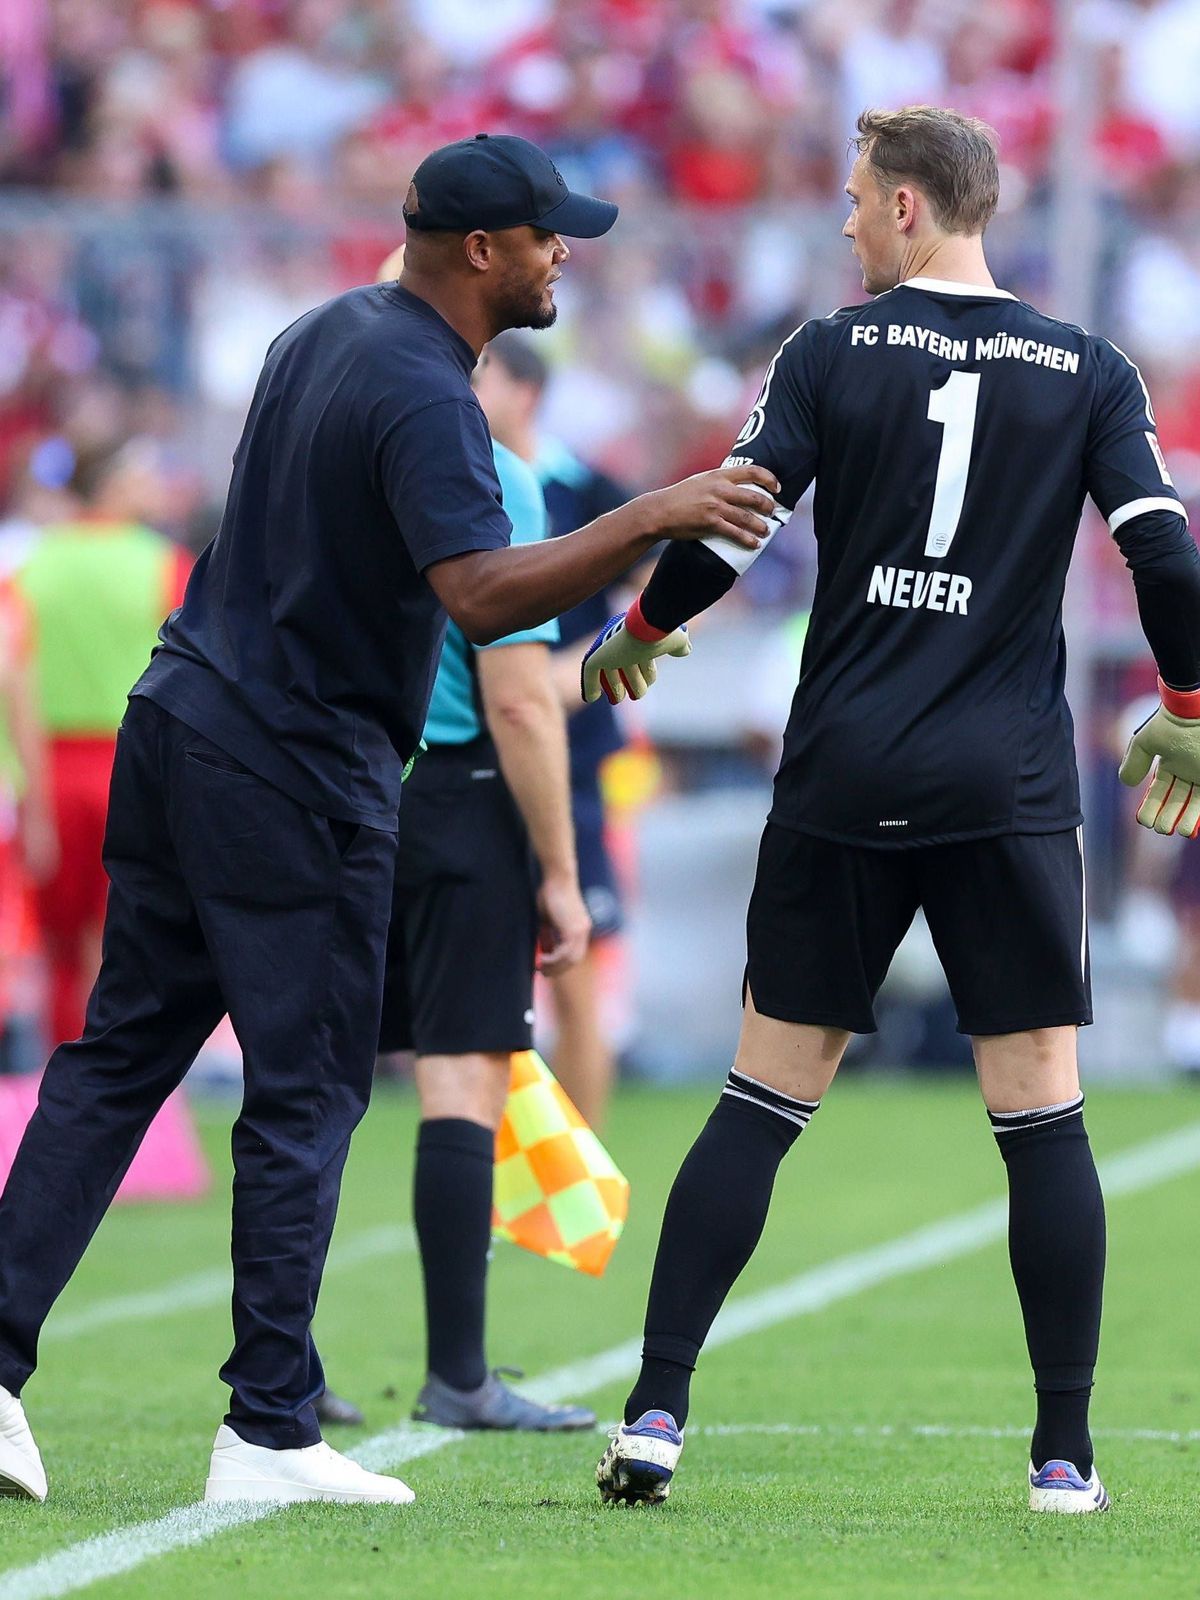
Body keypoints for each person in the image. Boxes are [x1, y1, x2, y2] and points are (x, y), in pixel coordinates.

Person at [0, 131, 777, 1508]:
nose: (563, 256)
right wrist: (656, 513)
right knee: (304, 1092)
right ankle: (270, 1431)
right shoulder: (426, 390)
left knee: (120, 1059)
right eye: (548, 236)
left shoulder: (327, 330)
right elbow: (482, 599)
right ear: (481, 251)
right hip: (292, 766)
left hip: (183, 722)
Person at [588, 106, 1200, 1514]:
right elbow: (1164, 558)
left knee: (759, 1100)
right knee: (1041, 1115)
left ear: (916, 209)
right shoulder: (1090, 367)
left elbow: (735, 518)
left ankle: (658, 1414)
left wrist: (641, 623)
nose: (851, 223)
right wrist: (1190, 706)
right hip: (1006, 782)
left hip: (847, 768)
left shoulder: (827, 349)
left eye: (863, 201)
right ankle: (1063, 1459)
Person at [474, 333, 633, 1128]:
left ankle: (583, 1171)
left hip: (563, 760)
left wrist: (571, 676)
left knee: (574, 976)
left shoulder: (587, 489)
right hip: (471, 758)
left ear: (525, 393)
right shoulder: (455, 479)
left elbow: (668, 602)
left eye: (482, 376)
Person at [16, 443, 191, 1047]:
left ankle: (58, 1064)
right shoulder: (164, 563)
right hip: (132, 761)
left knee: (59, 939)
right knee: (121, 928)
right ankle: (108, 1065)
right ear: (114, 483)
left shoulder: (35, 564)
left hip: (47, 768)